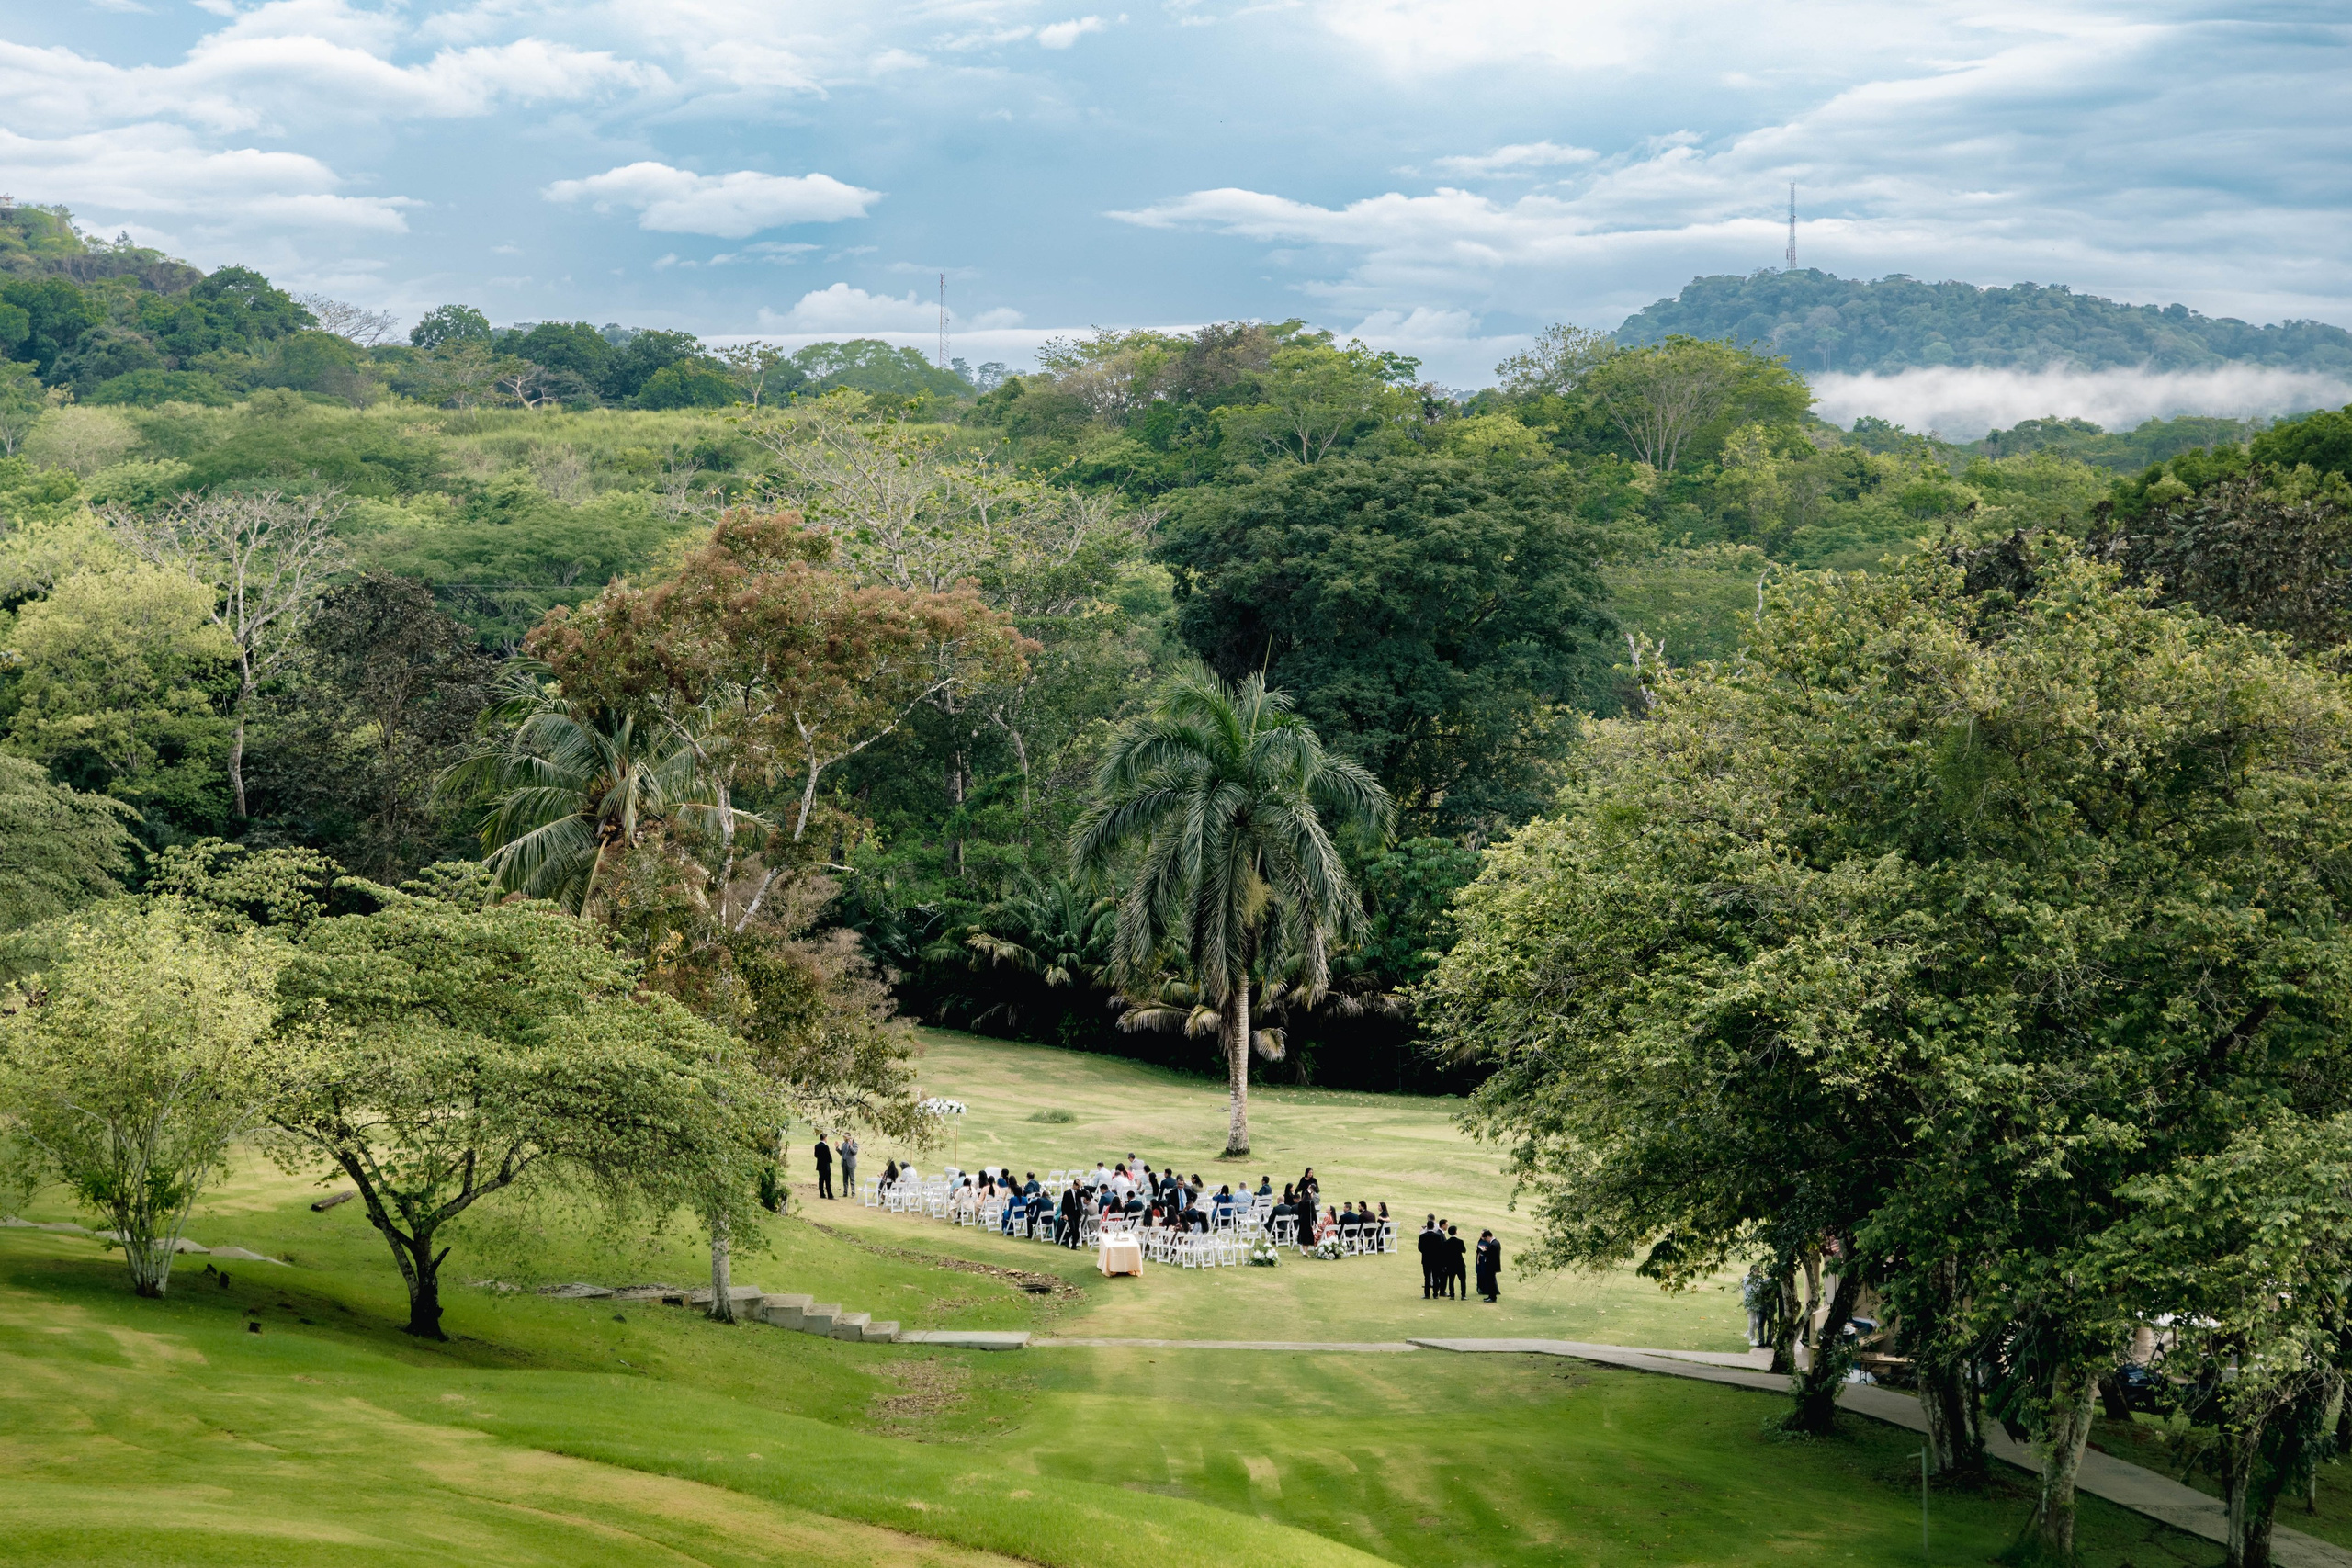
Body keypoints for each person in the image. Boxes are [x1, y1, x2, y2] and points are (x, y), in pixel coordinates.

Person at [1417, 1215, 1442, 1297]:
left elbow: (1419, 1247)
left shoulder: (1422, 1236)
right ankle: (1435, 1294)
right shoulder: (1437, 1236)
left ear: (1427, 1227)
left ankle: (1427, 1294)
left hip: (1426, 1258)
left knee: (1427, 1277)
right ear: (1434, 1226)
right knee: (1435, 1277)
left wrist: (1425, 1252)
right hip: (1436, 1259)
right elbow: (1440, 1247)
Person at [1476, 1230, 1502, 1303]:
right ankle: (1491, 1296)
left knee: (1491, 1282)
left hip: (1491, 1266)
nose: (1486, 1241)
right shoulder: (1496, 1243)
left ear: (1488, 1237)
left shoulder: (1493, 1244)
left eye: (1486, 1239)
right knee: (1491, 1281)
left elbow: (1491, 1256)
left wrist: (1485, 1251)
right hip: (1493, 1266)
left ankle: (1492, 1297)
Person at [1446, 1224, 1469, 1300]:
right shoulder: (1460, 1241)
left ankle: (1452, 1294)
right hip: (1459, 1263)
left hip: (1450, 1263)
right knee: (1462, 1280)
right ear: (1456, 1232)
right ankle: (1463, 1295)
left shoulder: (1446, 1242)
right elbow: (1464, 1250)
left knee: (1451, 1280)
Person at [814, 1132, 835, 1200]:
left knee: (821, 1179)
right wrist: (830, 1160)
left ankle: (822, 1194)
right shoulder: (825, 1147)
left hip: (820, 1165)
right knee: (827, 1180)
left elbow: (816, 1155)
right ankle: (830, 1195)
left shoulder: (817, 1146)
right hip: (825, 1166)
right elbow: (828, 1156)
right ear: (825, 1138)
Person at [840, 1133, 859, 1198]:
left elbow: (855, 1152)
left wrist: (850, 1146)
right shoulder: (843, 1144)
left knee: (852, 1179)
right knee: (845, 1179)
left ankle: (853, 1194)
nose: (844, 1138)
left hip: (851, 1163)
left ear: (849, 1137)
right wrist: (837, 1148)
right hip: (844, 1163)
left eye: (845, 1137)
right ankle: (845, 1193)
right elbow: (841, 1153)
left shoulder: (854, 1144)